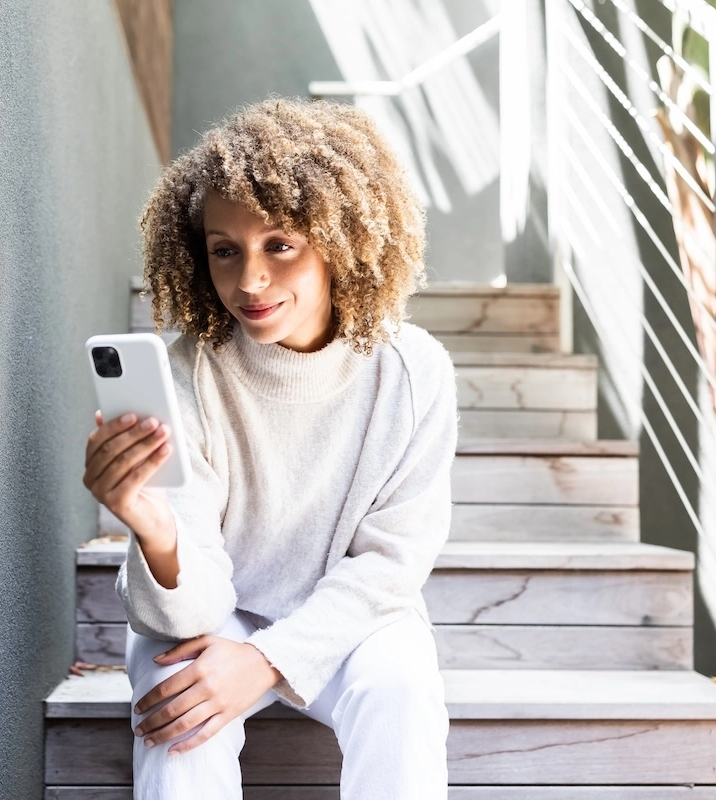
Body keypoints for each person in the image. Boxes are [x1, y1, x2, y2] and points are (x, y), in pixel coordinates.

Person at [82, 96, 458, 799]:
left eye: (279, 244)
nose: (249, 280)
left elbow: (390, 566)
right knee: (179, 709)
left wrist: (263, 659)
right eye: (226, 250)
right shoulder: (185, 376)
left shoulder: (413, 372)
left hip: (349, 617)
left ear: (339, 241)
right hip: (212, 608)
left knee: (404, 689)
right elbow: (184, 615)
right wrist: (153, 529)